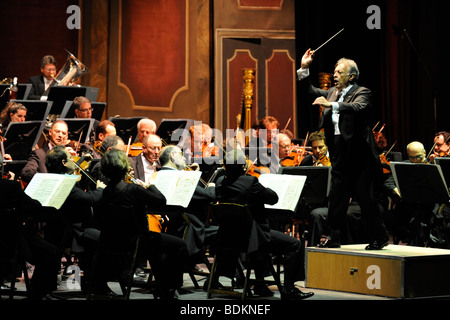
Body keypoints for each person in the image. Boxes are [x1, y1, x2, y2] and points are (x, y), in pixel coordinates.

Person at [298, 48, 388, 250]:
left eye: (339, 72)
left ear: (352, 76)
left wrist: (332, 104)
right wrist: (304, 68)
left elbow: (357, 107)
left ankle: (379, 236)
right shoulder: (332, 92)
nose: (335, 75)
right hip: (338, 150)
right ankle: (335, 237)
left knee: (365, 197)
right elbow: (310, 91)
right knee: (337, 196)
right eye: (335, 72)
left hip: (359, 153)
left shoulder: (362, 92)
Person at [214, 148, 314, 300]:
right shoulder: (250, 182)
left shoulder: (221, 183)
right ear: (243, 167)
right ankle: (288, 290)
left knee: (262, 234)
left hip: (228, 238)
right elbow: (273, 198)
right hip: (251, 240)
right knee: (294, 244)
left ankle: (260, 285)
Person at [95, 148, 188, 299]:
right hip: (137, 242)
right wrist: (150, 185)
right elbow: (161, 200)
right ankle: (170, 287)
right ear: (125, 166)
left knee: (157, 249)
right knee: (179, 245)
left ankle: (163, 286)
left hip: (113, 242)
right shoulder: (133, 189)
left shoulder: (105, 191)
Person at [44, 145, 105, 292]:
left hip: (62, 229)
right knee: (107, 240)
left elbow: (77, 191)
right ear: (64, 163)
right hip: (74, 231)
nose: (75, 160)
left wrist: (86, 165)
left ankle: (92, 282)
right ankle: (96, 283)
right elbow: (88, 198)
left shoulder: (56, 178)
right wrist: (100, 189)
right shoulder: (64, 182)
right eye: (71, 158)